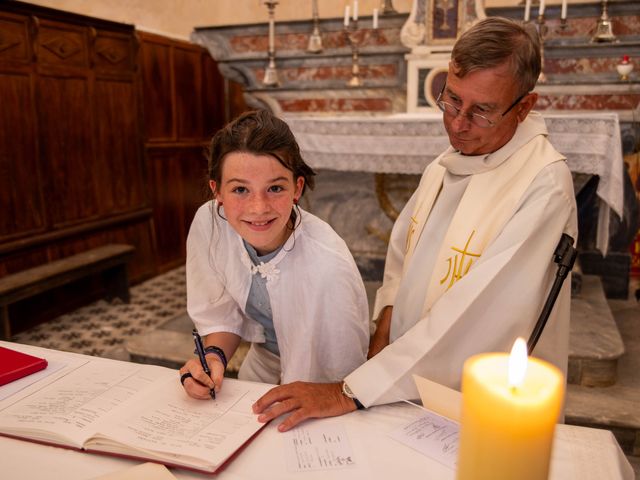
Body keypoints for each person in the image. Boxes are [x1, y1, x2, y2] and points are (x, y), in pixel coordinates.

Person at [252, 17, 578, 431]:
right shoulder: (445, 164)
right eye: (452, 100)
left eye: (482, 112)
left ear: (525, 107)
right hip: (399, 382)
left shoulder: (542, 184)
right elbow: (403, 256)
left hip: (479, 400)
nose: (458, 124)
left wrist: (351, 390)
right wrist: (382, 338)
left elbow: (479, 316)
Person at [179, 110, 370, 400]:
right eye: (240, 189)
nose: (258, 208)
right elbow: (223, 314)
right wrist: (214, 357)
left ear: (297, 188)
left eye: (275, 188)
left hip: (319, 380)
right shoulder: (210, 224)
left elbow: (342, 375)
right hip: (261, 361)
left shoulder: (328, 266)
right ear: (216, 191)